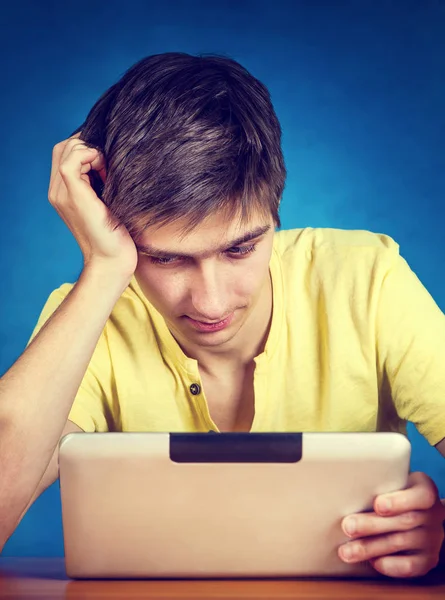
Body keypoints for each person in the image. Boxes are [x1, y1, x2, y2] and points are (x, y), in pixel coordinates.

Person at [0, 52, 444, 578]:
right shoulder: (87, 316)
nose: (210, 303)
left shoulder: (367, 281)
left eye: (240, 250)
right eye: (164, 257)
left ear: (275, 215)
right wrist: (103, 269)